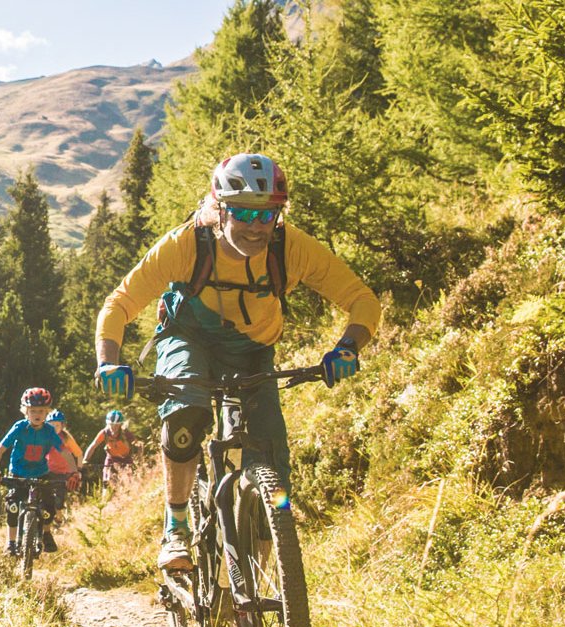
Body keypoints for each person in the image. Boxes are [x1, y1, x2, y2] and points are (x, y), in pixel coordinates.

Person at [90, 153, 382, 571]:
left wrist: (348, 347)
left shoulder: (291, 248)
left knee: (273, 463)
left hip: (252, 351)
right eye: (243, 212)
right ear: (219, 208)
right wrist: (109, 363)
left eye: (268, 215)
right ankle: (176, 529)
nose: (256, 226)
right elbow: (118, 304)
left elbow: (362, 300)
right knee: (186, 415)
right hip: (187, 336)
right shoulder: (186, 244)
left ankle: (263, 583)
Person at [0, 388, 83, 555]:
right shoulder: (19, 427)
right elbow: (1, 448)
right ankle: (10, 542)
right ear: (26, 411)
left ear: (47, 413)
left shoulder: (49, 431)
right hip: (18, 472)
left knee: (49, 507)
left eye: (42, 411)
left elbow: (65, 452)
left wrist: (74, 472)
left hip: (41, 473)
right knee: (13, 505)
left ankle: (45, 533)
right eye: (33, 411)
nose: (37, 414)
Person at [82, 409, 136, 489]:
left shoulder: (126, 433)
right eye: (111, 424)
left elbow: (138, 445)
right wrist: (85, 460)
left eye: (117, 425)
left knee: (128, 485)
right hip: (111, 460)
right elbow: (93, 446)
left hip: (126, 460)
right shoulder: (104, 433)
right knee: (107, 483)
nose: (114, 427)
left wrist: (139, 459)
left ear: (120, 424)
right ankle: (106, 499)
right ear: (108, 423)